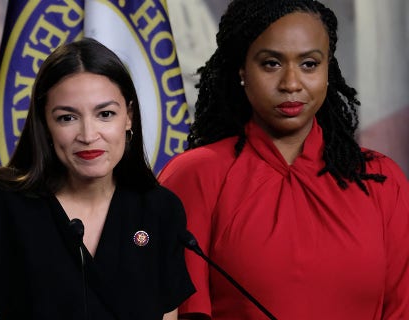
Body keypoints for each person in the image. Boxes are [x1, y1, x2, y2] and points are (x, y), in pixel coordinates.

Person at [158, 0, 409, 319]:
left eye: (309, 64)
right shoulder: (195, 176)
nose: (291, 84)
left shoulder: (381, 179)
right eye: (271, 64)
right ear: (242, 71)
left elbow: (401, 309)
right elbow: (182, 311)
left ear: (327, 71)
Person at [0, 37, 195, 320]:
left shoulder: (160, 210)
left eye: (105, 114)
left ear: (129, 116)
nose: (88, 135)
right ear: (44, 124)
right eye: (67, 118)